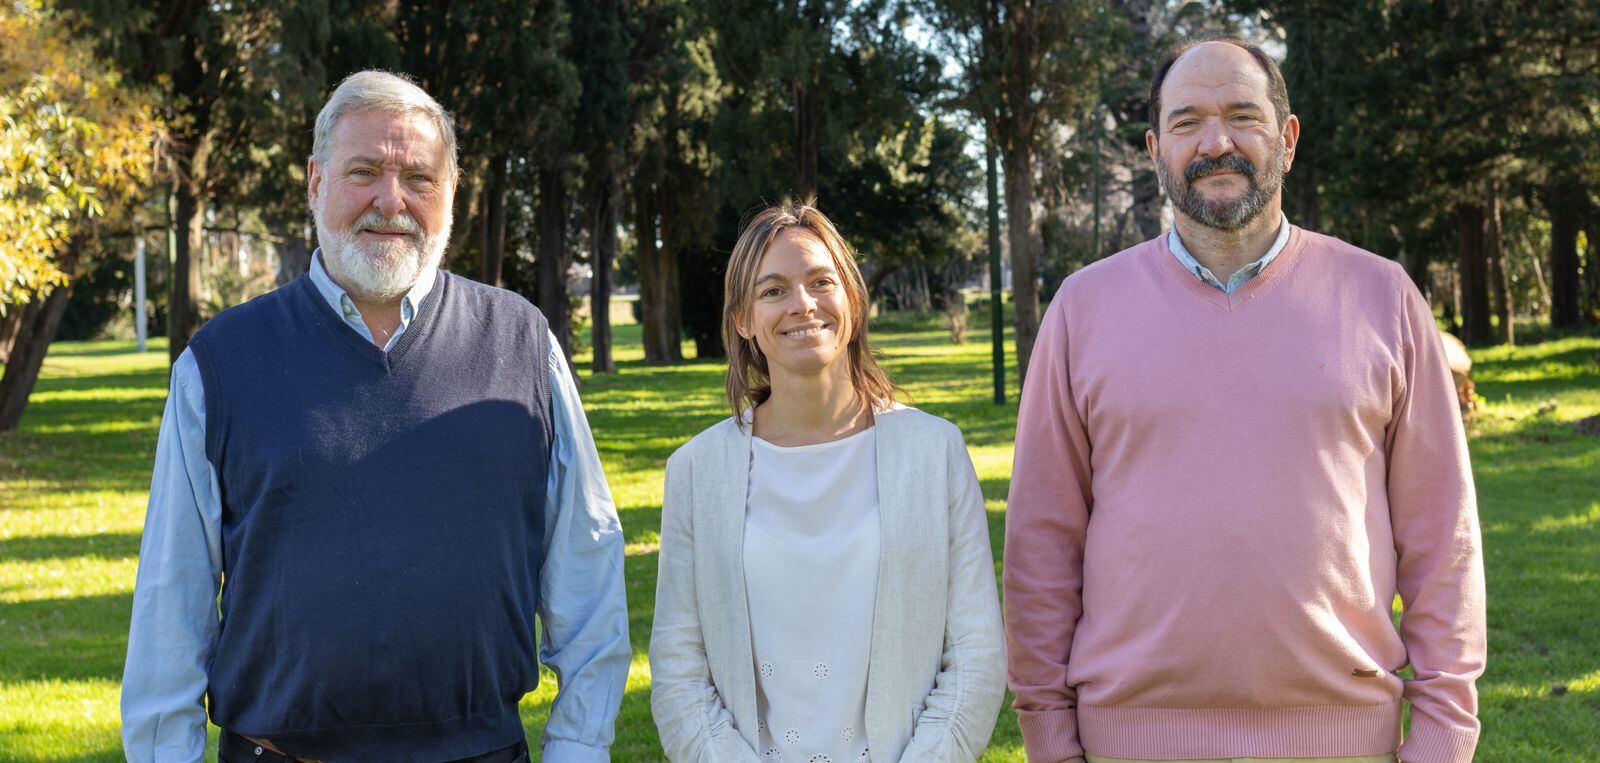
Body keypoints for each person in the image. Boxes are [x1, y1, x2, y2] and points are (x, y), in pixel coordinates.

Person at [121, 70, 630, 763]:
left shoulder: (521, 343)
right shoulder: (220, 363)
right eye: (364, 172)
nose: (390, 201)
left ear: (450, 194)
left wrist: (577, 747)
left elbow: (587, 565)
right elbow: (169, 601)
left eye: (418, 177)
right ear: (314, 183)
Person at [1003, 38, 1486, 763]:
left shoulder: (1383, 298)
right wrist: (1047, 730)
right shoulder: (1082, 310)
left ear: (1287, 139)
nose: (1215, 142)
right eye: (1187, 120)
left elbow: (1441, 535)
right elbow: (1041, 541)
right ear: (1156, 148)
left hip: (1342, 741)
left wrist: (1444, 735)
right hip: (1131, 741)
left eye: (1241, 116)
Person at [649, 202, 1006, 762]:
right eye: (773, 291)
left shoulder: (934, 453)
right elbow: (678, 673)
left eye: (821, 281)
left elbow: (975, 656)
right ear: (743, 319)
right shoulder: (696, 471)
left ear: (853, 300)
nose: (803, 305)